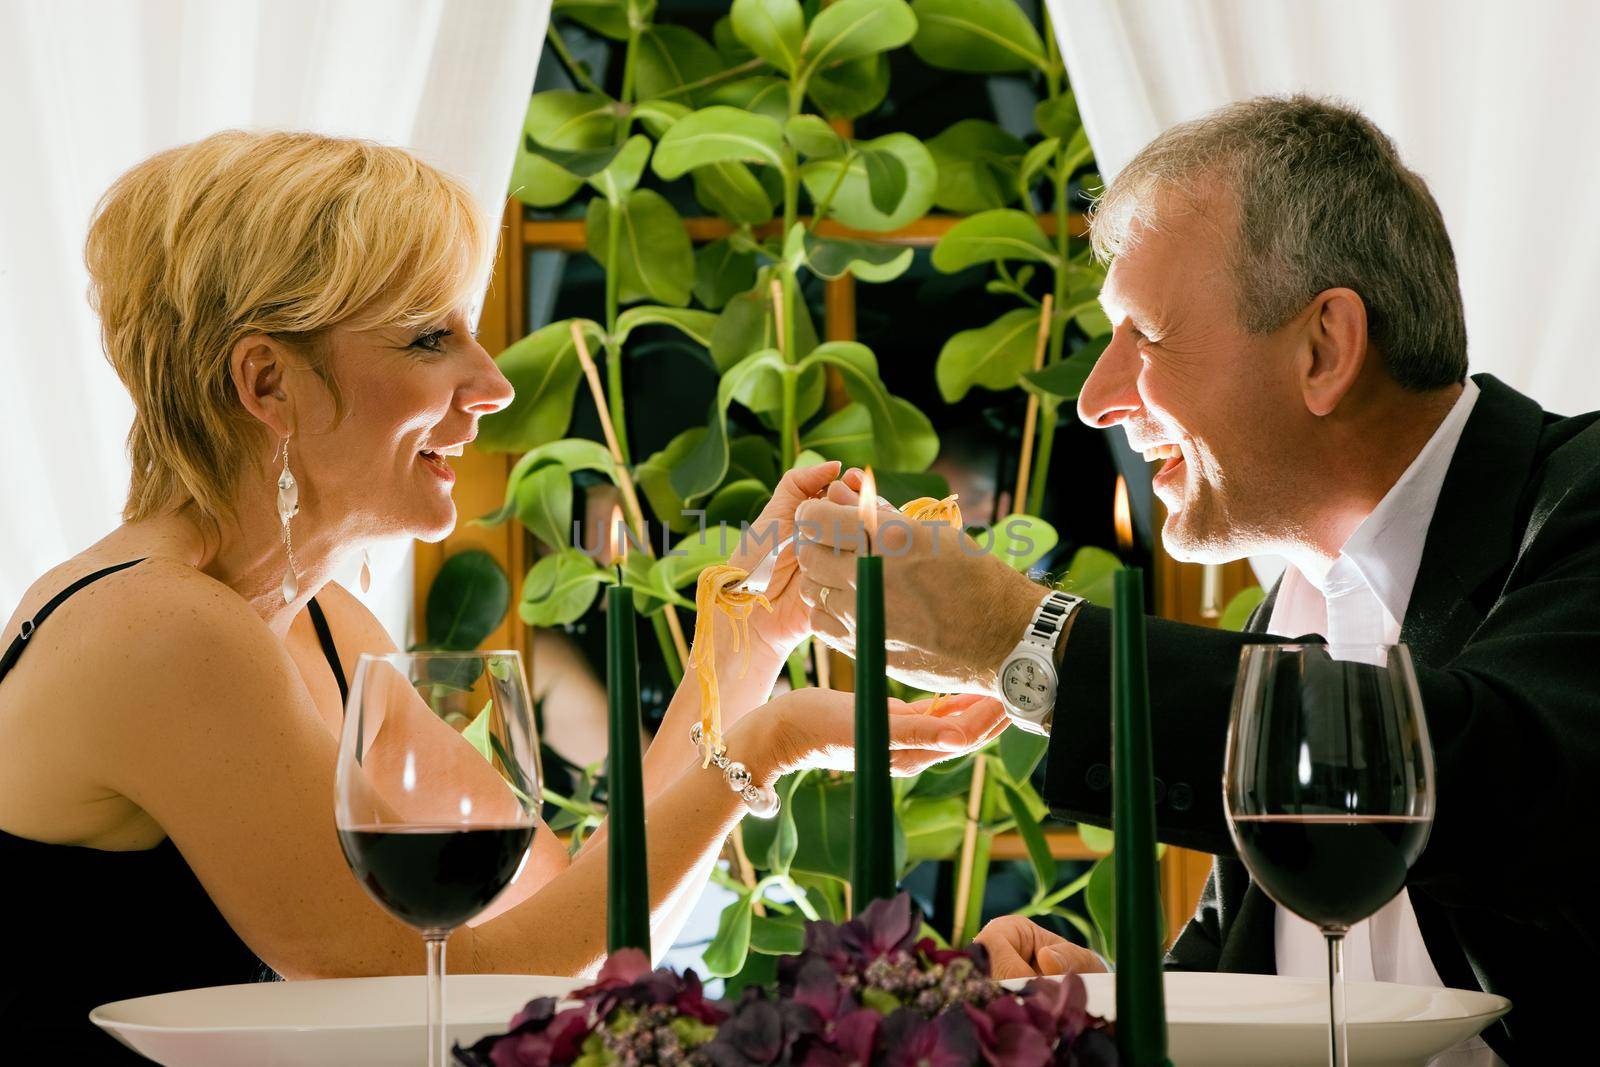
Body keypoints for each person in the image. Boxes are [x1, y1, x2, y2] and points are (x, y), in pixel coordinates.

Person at [0, 130, 1007, 1059]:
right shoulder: (160, 628)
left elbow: (562, 910)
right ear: (268, 383)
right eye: (430, 340)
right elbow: (430, 988)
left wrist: (741, 649)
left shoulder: (321, 624)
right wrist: (766, 744)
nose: (493, 383)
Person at [793, 96, 1599, 1065]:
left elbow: (1498, 781)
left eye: (1143, 333)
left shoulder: (1581, 500)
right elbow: (1284, 1009)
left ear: (1322, 348)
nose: (1095, 400)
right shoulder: (1294, 605)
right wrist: (1096, 1008)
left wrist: (1026, 635)